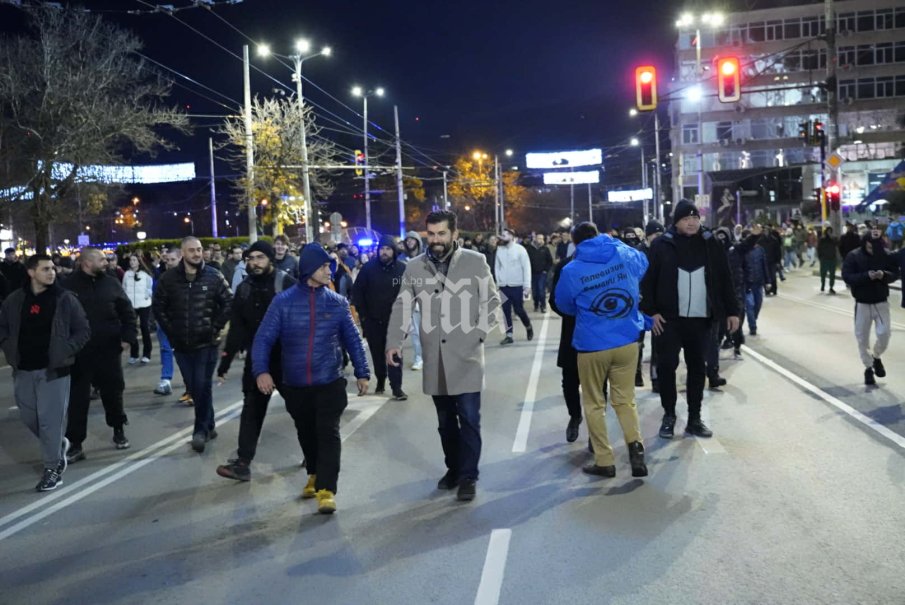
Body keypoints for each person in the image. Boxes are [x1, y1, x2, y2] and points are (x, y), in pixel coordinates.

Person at [386, 210, 501, 502]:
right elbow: (402, 305)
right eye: (431, 234)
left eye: (441, 234)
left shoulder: (475, 262)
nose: (436, 240)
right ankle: (453, 469)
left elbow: (491, 301)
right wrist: (393, 342)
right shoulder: (414, 267)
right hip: (435, 357)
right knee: (445, 421)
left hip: (467, 356)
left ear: (454, 234)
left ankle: (468, 476)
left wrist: (479, 334)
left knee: (470, 418)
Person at [252, 244, 369, 514]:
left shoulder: (337, 303)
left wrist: (362, 373)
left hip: (329, 380)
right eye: (324, 266)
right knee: (306, 432)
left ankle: (327, 489)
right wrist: (262, 370)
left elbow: (353, 340)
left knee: (328, 432)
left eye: (329, 266)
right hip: (294, 384)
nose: (330, 270)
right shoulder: (282, 302)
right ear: (308, 270)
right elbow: (263, 339)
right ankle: (314, 474)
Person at [640, 200, 739, 439]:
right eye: (686, 218)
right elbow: (647, 281)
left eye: (695, 218)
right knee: (666, 367)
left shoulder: (710, 243)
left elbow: (725, 278)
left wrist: (732, 310)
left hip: (701, 320)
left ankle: (694, 417)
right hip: (668, 321)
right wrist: (651, 312)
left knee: (697, 369)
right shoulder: (662, 245)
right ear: (676, 221)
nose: (692, 222)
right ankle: (669, 415)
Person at [555, 230, 650, 478]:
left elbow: (564, 305)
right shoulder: (622, 254)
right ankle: (636, 448)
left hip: (592, 345)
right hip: (627, 338)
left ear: (575, 243)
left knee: (594, 403)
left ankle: (605, 460)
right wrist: (615, 242)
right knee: (625, 400)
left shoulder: (571, 270)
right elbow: (643, 262)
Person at [0, 255, 90, 491]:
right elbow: (4, 327)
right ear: (31, 272)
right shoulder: (15, 300)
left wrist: (65, 351)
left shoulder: (65, 299)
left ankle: (52, 469)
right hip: (23, 370)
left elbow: (83, 330)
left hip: (54, 371)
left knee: (50, 422)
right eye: (45, 269)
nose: (52, 273)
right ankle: (58, 445)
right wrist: (9, 347)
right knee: (30, 417)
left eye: (52, 268)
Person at [215, 241, 297, 481]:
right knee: (252, 409)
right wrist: (225, 363)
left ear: (270, 259)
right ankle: (242, 462)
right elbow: (237, 329)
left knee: (300, 409)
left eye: (260, 257)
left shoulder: (286, 284)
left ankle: (313, 452)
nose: (254, 263)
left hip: (286, 360)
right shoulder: (243, 289)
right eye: (250, 258)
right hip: (257, 360)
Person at [153, 236, 233, 452]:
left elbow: (229, 302)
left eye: (199, 249)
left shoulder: (214, 276)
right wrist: (171, 331)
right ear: (183, 253)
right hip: (181, 345)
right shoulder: (168, 279)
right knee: (196, 386)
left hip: (206, 344)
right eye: (192, 250)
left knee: (201, 384)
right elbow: (158, 307)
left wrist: (215, 327)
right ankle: (210, 424)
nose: (197, 254)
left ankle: (199, 431)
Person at [62, 247, 138, 462]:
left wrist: (127, 337)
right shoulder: (68, 286)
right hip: (79, 353)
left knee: (113, 392)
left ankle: (118, 429)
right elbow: (60, 319)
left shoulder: (111, 282)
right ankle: (75, 443)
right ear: (87, 263)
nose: (107, 262)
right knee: (78, 398)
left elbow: (126, 310)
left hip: (108, 349)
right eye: (102, 260)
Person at [549, 222, 598, 444]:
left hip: (594, 334)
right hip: (576, 333)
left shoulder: (603, 265)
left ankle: (594, 431)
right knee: (577, 381)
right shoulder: (566, 267)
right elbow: (554, 300)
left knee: (589, 383)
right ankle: (576, 417)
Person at [841, 227, 900, 385]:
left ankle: (876, 356)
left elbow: (895, 272)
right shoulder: (853, 256)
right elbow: (847, 276)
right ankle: (868, 368)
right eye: (869, 246)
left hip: (881, 301)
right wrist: (866, 276)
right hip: (862, 303)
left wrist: (884, 275)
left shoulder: (885, 254)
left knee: (884, 334)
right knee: (862, 338)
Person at [352, 235, 408, 400]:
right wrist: (363, 317)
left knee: (395, 354)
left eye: (388, 249)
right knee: (377, 354)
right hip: (373, 320)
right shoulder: (368, 269)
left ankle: (397, 387)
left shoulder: (402, 270)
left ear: (394, 251)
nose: (384, 252)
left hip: (395, 322)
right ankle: (381, 380)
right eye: (382, 249)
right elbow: (357, 293)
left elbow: (408, 294)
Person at [494, 228, 533, 344]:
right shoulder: (499, 250)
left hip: (517, 285)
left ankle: (528, 326)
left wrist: (527, 285)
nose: (503, 237)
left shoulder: (520, 250)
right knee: (505, 311)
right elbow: (497, 267)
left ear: (511, 236)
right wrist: (498, 282)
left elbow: (526, 268)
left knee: (519, 310)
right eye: (502, 235)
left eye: (505, 235)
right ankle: (509, 335)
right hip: (503, 285)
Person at [153, 249, 182, 397]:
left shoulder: (188, 277)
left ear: (180, 258)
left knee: (184, 352)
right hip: (165, 321)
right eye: (167, 260)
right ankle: (166, 379)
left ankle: (190, 384)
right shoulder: (162, 277)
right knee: (165, 349)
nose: (169, 263)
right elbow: (156, 299)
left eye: (172, 260)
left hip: (183, 321)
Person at [123, 254, 154, 364]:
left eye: (134, 260)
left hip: (144, 304)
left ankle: (147, 354)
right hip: (131, 305)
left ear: (139, 262)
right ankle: (134, 354)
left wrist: (147, 295)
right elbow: (124, 288)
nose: (132, 262)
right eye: (131, 260)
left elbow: (150, 287)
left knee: (144, 327)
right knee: (132, 329)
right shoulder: (127, 274)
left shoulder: (145, 274)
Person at [400, 231, 424, 371]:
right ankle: (418, 358)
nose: (410, 242)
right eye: (407, 240)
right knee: (415, 332)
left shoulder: (426, 257)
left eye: (412, 240)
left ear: (417, 241)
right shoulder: (401, 259)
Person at [743, 233, 770, 337]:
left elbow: (764, 265)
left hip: (759, 282)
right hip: (747, 284)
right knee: (750, 305)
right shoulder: (744, 250)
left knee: (758, 304)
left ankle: (753, 318)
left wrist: (767, 281)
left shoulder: (760, 250)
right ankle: (753, 326)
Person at [524, 234, 553, 313]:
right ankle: (536, 304)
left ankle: (543, 306)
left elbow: (550, 261)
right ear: (535, 239)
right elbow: (526, 261)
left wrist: (546, 270)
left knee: (541, 290)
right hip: (532, 274)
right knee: (535, 291)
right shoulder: (529, 249)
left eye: (541, 238)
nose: (540, 240)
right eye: (538, 238)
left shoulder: (545, 249)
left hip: (542, 273)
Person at [817, 226, 839, 294]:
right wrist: (820, 257)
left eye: (830, 231)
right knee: (823, 274)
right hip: (824, 259)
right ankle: (823, 285)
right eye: (828, 231)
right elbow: (818, 248)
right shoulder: (822, 239)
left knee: (832, 274)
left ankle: (831, 287)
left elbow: (838, 244)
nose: (829, 232)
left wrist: (832, 238)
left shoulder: (834, 238)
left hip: (832, 259)